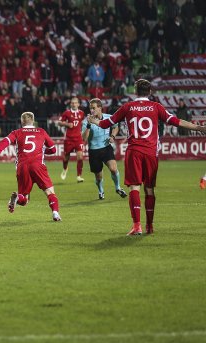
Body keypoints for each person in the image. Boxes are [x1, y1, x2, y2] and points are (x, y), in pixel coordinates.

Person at [87, 79, 206, 235]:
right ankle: (149, 226)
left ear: (135, 91)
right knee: (149, 189)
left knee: (134, 188)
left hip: (134, 152)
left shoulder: (127, 107)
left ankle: (137, 226)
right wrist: (199, 128)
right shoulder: (156, 107)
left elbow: (104, 124)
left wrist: (92, 120)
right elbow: (177, 122)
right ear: (150, 92)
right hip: (151, 153)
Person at [0, 112, 61, 222]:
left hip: (22, 167)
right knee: (50, 192)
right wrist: (42, 150)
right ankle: (55, 213)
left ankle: (18, 197)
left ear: (22, 122)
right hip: (38, 166)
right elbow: (53, 149)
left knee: (24, 200)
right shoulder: (41, 131)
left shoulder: (17, 132)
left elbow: (5, 142)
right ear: (33, 121)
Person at [81, 98, 128, 200]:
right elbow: (84, 138)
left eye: (93, 108)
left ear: (100, 108)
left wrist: (113, 136)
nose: (91, 110)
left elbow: (116, 127)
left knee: (113, 169)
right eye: (90, 108)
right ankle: (101, 190)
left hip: (106, 148)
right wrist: (89, 125)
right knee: (99, 176)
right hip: (94, 151)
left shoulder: (108, 117)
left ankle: (118, 187)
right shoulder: (86, 121)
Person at [57, 96, 86, 182]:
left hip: (78, 138)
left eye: (75, 103)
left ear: (78, 104)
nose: (74, 104)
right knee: (66, 158)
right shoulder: (66, 113)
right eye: (72, 103)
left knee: (80, 157)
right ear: (70, 104)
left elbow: (83, 124)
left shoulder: (82, 113)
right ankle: (65, 169)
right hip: (69, 139)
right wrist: (66, 124)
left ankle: (79, 176)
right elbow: (59, 123)